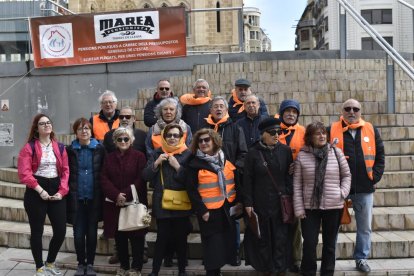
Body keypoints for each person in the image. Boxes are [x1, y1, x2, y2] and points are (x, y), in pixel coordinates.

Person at [329, 99, 385, 273]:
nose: (351, 111)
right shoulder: (331, 129)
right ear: (342, 111)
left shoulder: (371, 129)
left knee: (364, 227)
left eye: (355, 109)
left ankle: (361, 258)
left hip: (364, 187)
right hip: (338, 188)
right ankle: (330, 259)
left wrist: (374, 178)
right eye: (347, 108)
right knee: (333, 226)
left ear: (360, 111)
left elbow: (380, 155)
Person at [293, 121, 351, 276]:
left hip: (334, 206)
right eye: (317, 133)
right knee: (310, 243)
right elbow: (297, 185)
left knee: (330, 244)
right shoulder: (302, 156)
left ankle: (327, 272)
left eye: (324, 133)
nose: (322, 136)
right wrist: (298, 208)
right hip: (310, 208)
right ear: (310, 137)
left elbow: (346, 175)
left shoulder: (336, 153)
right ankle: (308, 272)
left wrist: (342, 193)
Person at [17, 114, 69, 276]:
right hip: (35, 190)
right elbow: (24, 173)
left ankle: (50, 262)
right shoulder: (29, 147)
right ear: (36, 128)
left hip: (55, 187)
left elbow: (66, 171)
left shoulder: (60, 147)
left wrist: (61, 192)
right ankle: (39, 267)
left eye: (48, 122)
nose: (46, 125)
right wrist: (40, 190)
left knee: (61, 230)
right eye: (42, 123)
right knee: (37, 231)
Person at [241, 117, 293, 275]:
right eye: (272, 132)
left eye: (279, 132)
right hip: (260, 201)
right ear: (262, 134)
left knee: (280, 236)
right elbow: (247, 179)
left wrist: (288, 194)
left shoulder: (285, 151)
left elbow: (288, 175)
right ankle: (266, 267)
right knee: (263, 236)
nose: (276, 135)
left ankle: (280, 267)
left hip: (280, 202)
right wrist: (248, 202)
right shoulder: (253, 153)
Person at [185, 128, 239, 276]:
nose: (203, 143)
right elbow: (191, 190)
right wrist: (202, 211)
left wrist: (237, 203)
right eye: (200, 141)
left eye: (206, 140)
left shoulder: (225, 158)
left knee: (224, 244)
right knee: (212, 247)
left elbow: (234, 180)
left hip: (227, 208)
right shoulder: (194, 163)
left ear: (214, 141)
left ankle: (218, 271)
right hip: (209, 212)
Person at [143, 124, 192, 276]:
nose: (172, 138)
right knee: (161, 239)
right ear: (164, 137)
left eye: (175, 135)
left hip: (181, 203)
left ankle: (182, 271)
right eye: (169, 135)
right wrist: (156, 163)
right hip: (162, 203)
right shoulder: (157, 153)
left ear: (181, 137)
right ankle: (155, 271)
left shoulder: (187, 154)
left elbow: (191, 181)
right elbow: (145, 176)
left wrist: (178, 167)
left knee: (181, 240)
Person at [102, 106, 148, 265]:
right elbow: (104, 178)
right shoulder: (109, 158)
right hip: (115, 203)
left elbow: (141, 178)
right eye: (119, 139)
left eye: (126, 139)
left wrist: (125, 194)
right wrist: (116, 195)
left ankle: (136, 268)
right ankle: (123, 267)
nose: (123, 141)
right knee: (120, 238)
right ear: (115, 141)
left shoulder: (139, 156)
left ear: (131, 140)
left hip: (134, 201)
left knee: (137, 238)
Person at [205, 96, 247, 266]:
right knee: (213, 221)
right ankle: (215, 254)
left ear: (227, 109)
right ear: (211, 110)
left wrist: (231, 169)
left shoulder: (236, 128)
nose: (219, 109)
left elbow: (243, 153)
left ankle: (234, 252)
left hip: (230, 181)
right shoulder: (204, 128)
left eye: (222, 106)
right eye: (215, 106)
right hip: (209, 183)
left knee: (233, 219)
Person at [66, 118, 106, 276]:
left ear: (91, 131)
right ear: (75, 132)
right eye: (80, 129)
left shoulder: (100, 149)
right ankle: (80, 263)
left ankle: (90, 264)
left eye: (87, 129)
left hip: (94, 199)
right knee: (77, 235)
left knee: (91, 234)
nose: (84, 131)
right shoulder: (70, 150)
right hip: (76, 199)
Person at [276, 99, 306, 272]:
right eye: (287, 111)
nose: (290, 114)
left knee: (295, 224)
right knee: (279, 224)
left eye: (294, 112)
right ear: (281, 113)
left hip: (297, 184)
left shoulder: (304, 132)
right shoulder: (273, 130)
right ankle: (280, 259)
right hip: (276, 184)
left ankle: (295, 260)